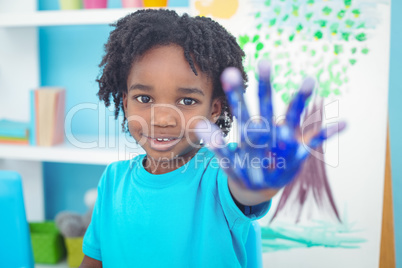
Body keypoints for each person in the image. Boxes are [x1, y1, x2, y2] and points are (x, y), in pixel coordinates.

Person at [80, 8, 341, 268]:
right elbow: (94, 260)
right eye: (144, 99)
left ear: (214, 110)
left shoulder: (220, 174)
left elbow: (244, 192)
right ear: (126, 103)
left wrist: (254, 184)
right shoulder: (113, 180)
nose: (162, 119)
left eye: (186, 101)